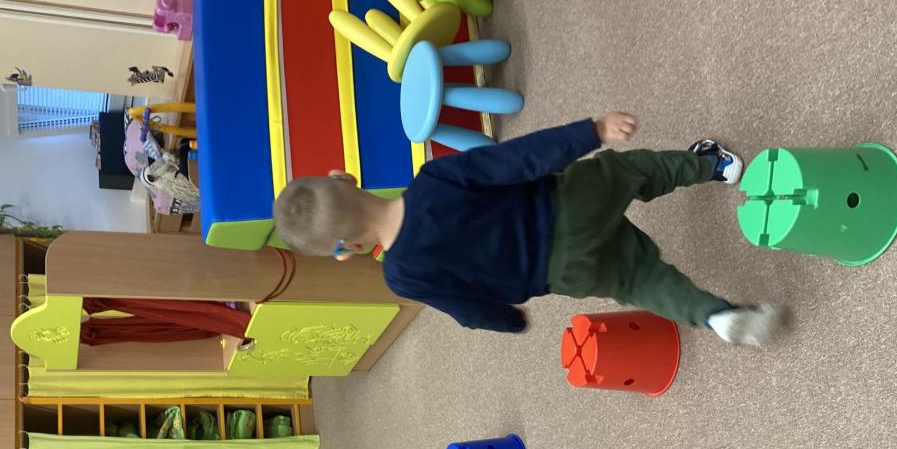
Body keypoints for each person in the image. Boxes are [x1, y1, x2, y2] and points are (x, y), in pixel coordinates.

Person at [272, 113, 781, 345]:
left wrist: (510, 321)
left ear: (347, 249)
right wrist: (590, 132)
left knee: (638, 278)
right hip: (566, 205)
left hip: (560, 272)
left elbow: (468, 311)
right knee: (632, 171)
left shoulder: (401, 276)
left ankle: (715, 316)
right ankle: (712, 165)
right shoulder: (434, 181)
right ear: (345, 177)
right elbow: (514, 161)